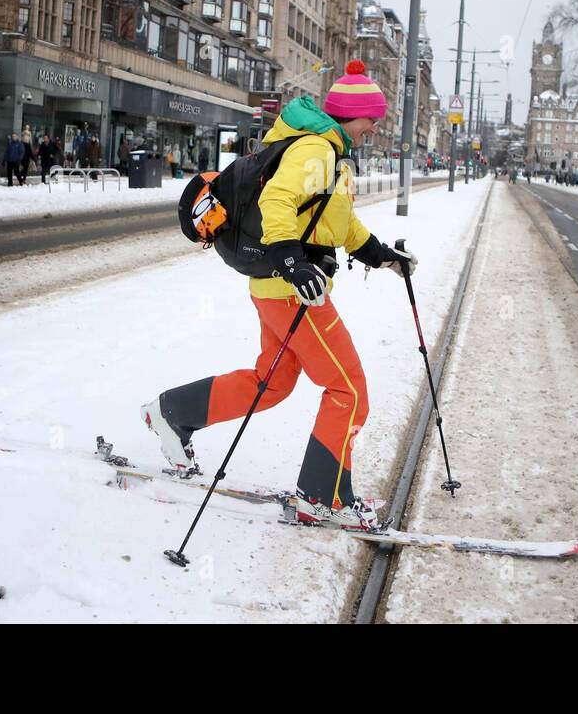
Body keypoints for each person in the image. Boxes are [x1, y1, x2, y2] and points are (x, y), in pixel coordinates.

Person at [140, 61, 414, 531]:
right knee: (347, 390)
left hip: (276, 289)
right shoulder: (316, 150)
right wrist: (292, 261)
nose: (377, 127)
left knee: (271, 383)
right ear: (354, 115)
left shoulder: (329, 151)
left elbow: (338, 222)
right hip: (292, 290)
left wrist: (382, 256)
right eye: (374, 118)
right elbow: (277, 203)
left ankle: (173, 412)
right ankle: (321, 497)